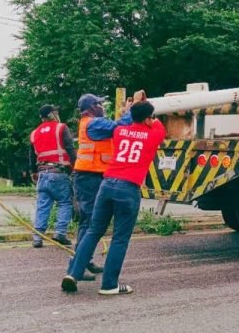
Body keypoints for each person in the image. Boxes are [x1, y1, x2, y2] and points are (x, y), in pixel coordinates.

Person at [62, 100, 165, 295]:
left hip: (107, 184)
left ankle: (73, 273)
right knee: (119, 238)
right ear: (147, 119)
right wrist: (151, 116)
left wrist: (130, 111)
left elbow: (127, 124)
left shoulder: (119, 132)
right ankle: (109, 284)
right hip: (128, 188)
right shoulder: (153, 134)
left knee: (93, 231)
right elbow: (158, 125)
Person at [71, 93, 133, 275]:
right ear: (91, 107)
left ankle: (83, 261)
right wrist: (129, 112)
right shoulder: (93, 123)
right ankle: (78, 265)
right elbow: (119, 127)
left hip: (93, 177)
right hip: (89, 178)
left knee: (91, 222)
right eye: (99, 104)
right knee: (90, 222)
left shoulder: (91, 123)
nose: (102, 106)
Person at [29, 104, 76, 248]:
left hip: (42, 174)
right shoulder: (61, 128)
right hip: (59, 173)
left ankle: (38, 237)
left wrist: (33, 172)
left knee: (43, 205)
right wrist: (76, 168)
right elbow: (69, 148)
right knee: (65, 203)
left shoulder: (34, 133)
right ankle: (60, 233)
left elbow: (31, 155)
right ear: (52, 114)